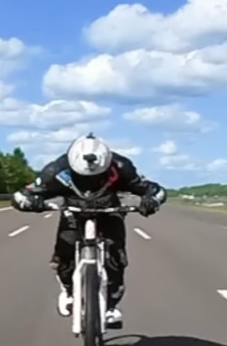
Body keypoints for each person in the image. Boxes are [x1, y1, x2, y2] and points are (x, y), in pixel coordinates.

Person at [10, 133, 166, 327]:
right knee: (65, 253)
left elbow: (152, 189)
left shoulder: (121, 166)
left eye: (97, 178)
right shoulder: (55, 170)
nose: (90, 183)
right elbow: (22, 195)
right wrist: (31, 201)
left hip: (110, 212)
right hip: (73, 214)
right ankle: (67, 289)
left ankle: (110, 306)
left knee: (116, 258)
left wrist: (150, 200)